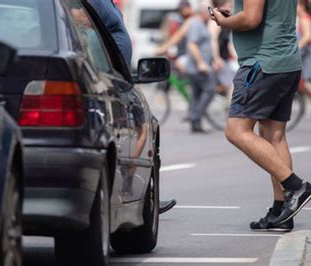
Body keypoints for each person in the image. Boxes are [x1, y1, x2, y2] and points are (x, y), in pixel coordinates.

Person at [211, 0, 311, 231]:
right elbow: (265, 13)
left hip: (262, 64)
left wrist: (224, 21)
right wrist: (236, 13)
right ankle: (282, 210)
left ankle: (295, 186)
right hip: (286, 62)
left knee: (236, 131)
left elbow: (251, 19)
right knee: (274, 137)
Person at [88, 0, 176, 214]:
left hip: (118, 79)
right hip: (109, 79)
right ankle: (137, 192)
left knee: (143, 129)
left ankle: (136, 191)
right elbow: (82, 23)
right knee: (143, 127)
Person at [186, 2, 217, 133]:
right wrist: (201, 63)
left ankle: (195, 123)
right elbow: (192, 45)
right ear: (203, 12)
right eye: (209, 11)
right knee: (209, 89)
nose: (210, 15)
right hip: (198, 67)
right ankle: (195, 116)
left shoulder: (199, 24)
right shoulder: (196, 24)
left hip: (199, 66)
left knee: (197, 94)